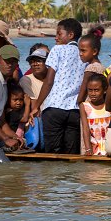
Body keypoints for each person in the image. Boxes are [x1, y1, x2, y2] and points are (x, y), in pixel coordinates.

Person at [33, 18, 87, 154]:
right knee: (71, 153)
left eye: (59, 34)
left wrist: (37, 105)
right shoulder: (84, 54)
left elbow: (49, 81)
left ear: (70, 35)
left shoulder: (57, 50)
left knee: (53, 153)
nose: (56, 37)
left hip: (55, 108)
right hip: (74, 110)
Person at [79, 73, 111, 156]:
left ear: (104, 90)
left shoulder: (110, 105)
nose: (93, 93)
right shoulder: (84, 106)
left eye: (97, 90)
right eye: (90, 90)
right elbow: (85, 128)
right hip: (94, 149)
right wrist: (88, 149)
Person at [77, 26, 106, 104]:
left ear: (94, 51)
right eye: (79, 50)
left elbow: (83, 92)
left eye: (83, 51)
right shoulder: (100, 66)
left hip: (89, 106)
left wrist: (78, 103)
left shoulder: (91, 68)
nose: (80, 54)